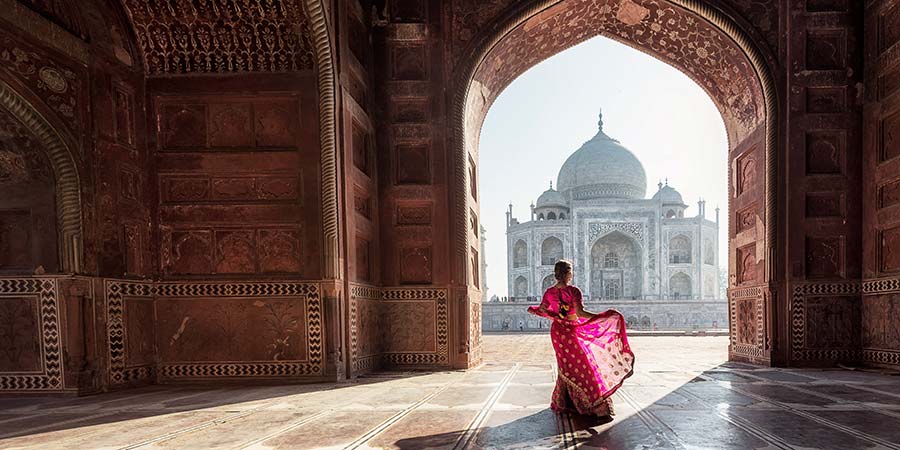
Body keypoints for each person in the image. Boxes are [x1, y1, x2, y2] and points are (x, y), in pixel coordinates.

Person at [527, 259, 634, 418]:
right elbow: (580, 313)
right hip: (570, 330)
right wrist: (600, 317)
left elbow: (543, 310)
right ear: (569, 273)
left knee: (566, 366)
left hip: (558, 332)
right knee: (583, 364)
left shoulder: (549, 292)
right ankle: (591, 402)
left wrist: (556, 317)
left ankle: (565, 401)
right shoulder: (573, 291)